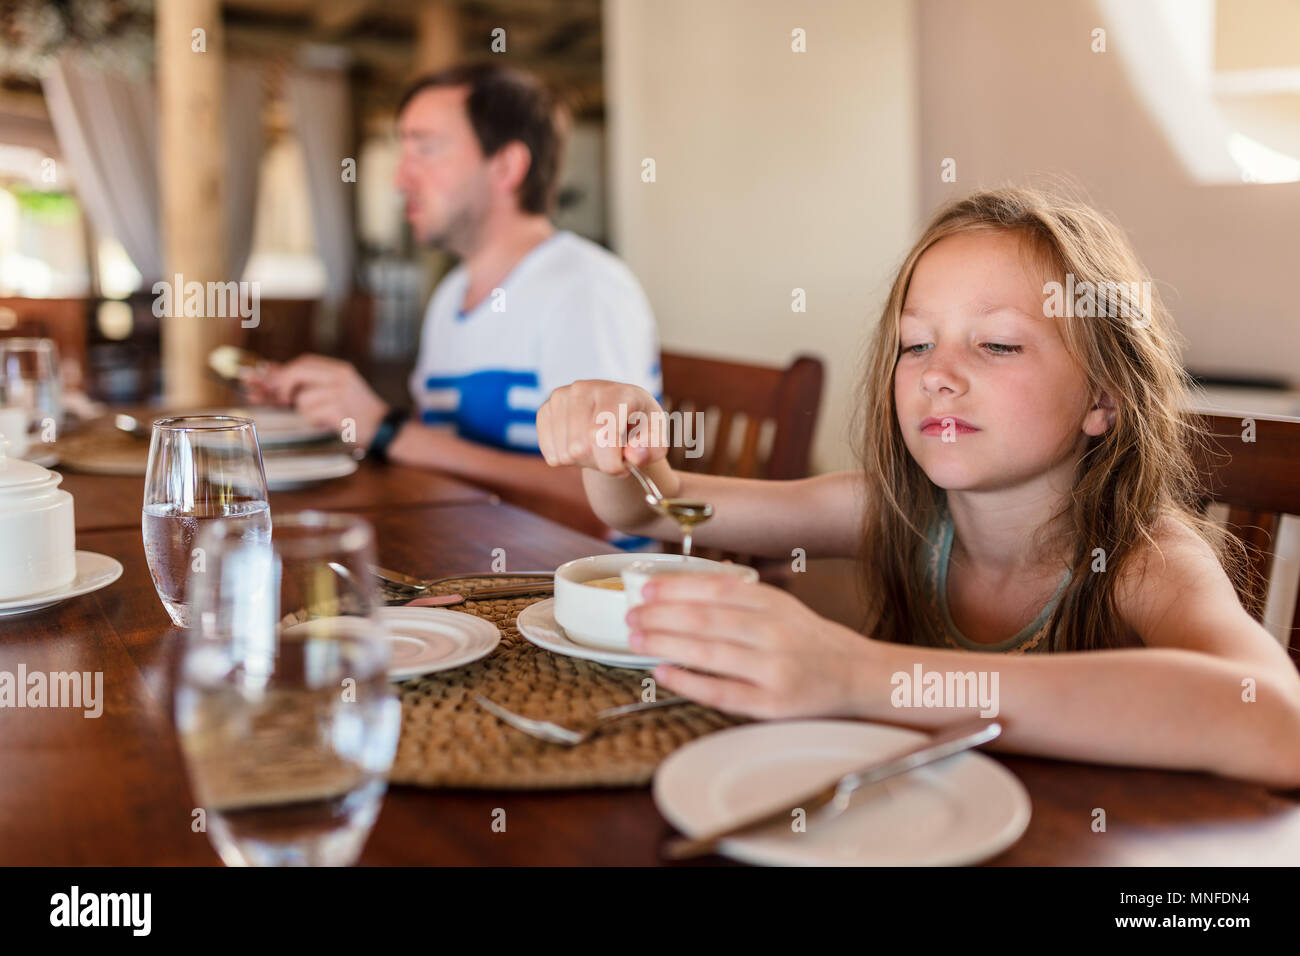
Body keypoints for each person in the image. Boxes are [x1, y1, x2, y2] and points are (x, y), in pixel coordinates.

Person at [535, 185, 1300, 788]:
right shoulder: (892, 511)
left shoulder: (1144, 558)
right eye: (916, 343)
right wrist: (618, 436)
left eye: (996, 343)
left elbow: (1276, 717)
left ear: (1103, 398)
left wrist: (860, 676)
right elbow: (657, 509)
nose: (938, 373)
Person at [254, 63, 660, 530]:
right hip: (467, 557)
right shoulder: (450, 297)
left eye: (424, 150)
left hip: (564, 585)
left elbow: (605, 507)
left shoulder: (584, 288)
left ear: (506, 166)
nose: (400, 179)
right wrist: (330, 409)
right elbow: (438, 457)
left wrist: (388, 430)